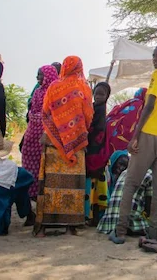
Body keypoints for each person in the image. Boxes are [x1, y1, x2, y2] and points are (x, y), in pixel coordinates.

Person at [110, 44, 157, 244]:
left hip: (150, 134)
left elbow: (149, 105)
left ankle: (120, 231)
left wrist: (136, 135)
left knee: (131, 182)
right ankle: (154, 232)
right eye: (154, 55)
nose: (155, 59)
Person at [35, 56, 94, 237]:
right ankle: (71, 226)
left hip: (52, 142)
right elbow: (88, 115)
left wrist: (57, 130)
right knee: (73, 185)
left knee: (50, 184)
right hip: (76, 143)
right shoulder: (83, 88)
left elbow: (45, 113)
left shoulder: (53, 87)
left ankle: (44, 227)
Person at [96, 151, 157, 235]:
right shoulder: (150, 175)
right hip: (131, 225)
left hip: (109, 224)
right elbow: (149, 210)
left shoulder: (125, 172)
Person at [21, 65, 58, 202]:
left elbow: (52, 114)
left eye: (40, 75)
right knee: (29, 159)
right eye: (37, 75)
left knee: (44, 163)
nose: (37, 78)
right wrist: (35, 117)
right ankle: (31, 191)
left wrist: (38, 117)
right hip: (32, 133)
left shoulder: (55, 92)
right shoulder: (37, 91)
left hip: (46, 134)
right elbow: (33, 111)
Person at [86, 82, 112, 225]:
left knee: (94, 187)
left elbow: (98, 131)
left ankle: (94, 216)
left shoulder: (100, 110)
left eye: (101, 94)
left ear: (107, 96)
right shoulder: (94, 107)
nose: (98, 96)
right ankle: (93, 216)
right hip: (95, 151)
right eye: (96, 93)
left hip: (96, 152)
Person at [105, 88, 147, 157]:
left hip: (112, 129)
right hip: (119, 134)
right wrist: (133, 138)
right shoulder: (138, 104)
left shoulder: (131, 101)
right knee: (118, 157)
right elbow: (131, 122)